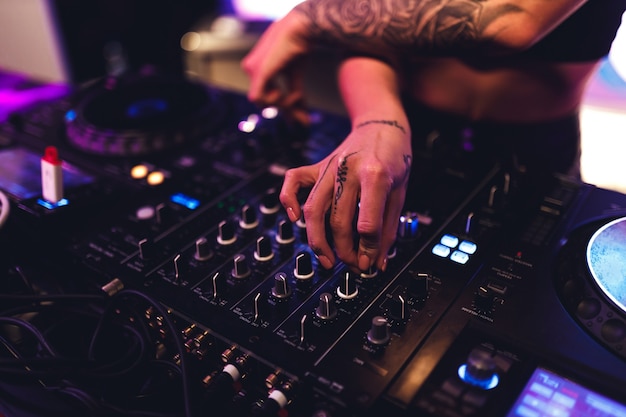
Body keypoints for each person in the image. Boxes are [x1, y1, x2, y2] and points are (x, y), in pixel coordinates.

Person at [241, 0, 626, 274]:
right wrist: (378, 118)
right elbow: (373, 23)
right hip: (406, 125)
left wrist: (309, 14)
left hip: (539, 148)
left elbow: (511, 18)